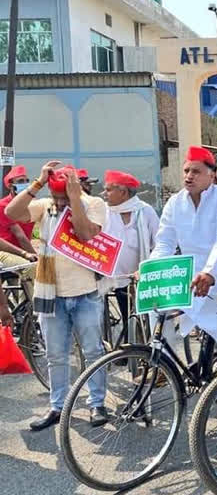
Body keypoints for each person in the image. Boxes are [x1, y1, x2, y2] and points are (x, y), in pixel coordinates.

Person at [6, 163, 110, 430]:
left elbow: (86, 233)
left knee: (93, 351)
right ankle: (57, 406)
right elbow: (11, 212)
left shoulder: (93, 204)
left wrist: (75, 198)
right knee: (55, 354)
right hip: (50, 293)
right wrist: (38, 183)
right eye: (58, 197)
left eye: (64, 197)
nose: (60, 202)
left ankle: (97, 404)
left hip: (84, 293)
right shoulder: (45, 206)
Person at [149, 146, 217, 349]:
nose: (189, 176)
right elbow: (165, 242)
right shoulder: (174, 202)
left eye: (195, 172)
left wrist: (209, 273)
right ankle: (164, 362)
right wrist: (150, 269)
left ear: (212, 175)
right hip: (187, 279)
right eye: (186, 171)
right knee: (156, 307)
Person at [103, 169, 160, 339]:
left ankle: (138, 350)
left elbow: (159, 242)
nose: (104, 194)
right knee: (128, 317)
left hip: (142, 277)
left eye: (108, 189)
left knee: (146, 319)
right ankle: (130, 349)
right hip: (116, 278)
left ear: (123, 192)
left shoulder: (144, 211)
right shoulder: (105, 213)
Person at [0, 165, 38, 295]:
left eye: (27, 181)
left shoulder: (32, 204)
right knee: (31, 267)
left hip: (21, 252)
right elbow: (21, 236)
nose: (25, 184)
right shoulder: (4, 206)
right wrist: (35, 255)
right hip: (5, 252)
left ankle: (24, 307)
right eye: (20, 182)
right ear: (11, 186)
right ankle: (30, 309)